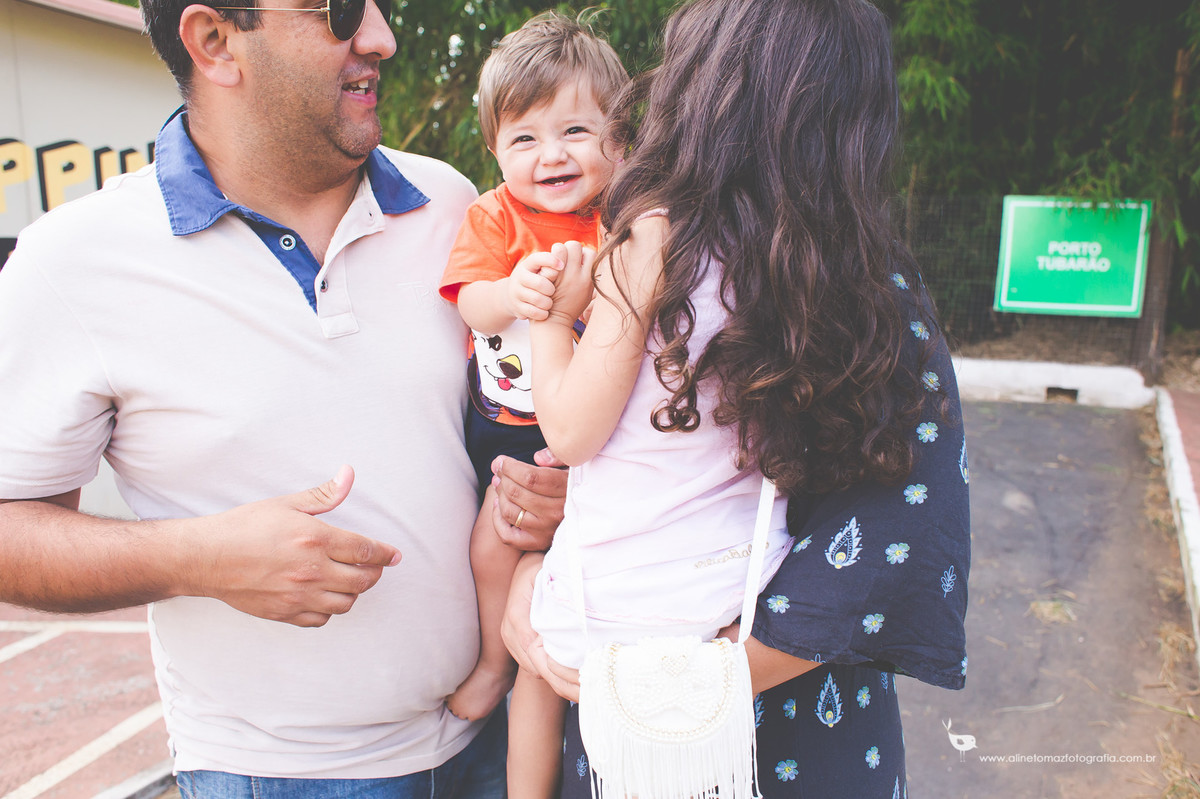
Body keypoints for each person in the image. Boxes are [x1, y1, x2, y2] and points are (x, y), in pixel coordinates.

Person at [0, 0, 566, 793]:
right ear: (214, 41)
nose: (380, 36)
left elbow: (515, 413)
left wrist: (550, 494)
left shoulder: (451, 203)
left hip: (504, 738)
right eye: (336, 10)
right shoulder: (70, 262)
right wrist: (197, 557)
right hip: (281, 777)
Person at [505, 1, 972, 796]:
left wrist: (666, 671)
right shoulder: (858, 282)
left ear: (703, 88)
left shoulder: (651, 243)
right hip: (782, 707)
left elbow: (579, 431)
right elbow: (907, 514)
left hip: (646, 693)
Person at [437, 10, 626, 722]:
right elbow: (472, 304)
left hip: (591, 428)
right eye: (525, 138)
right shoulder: (494, 218)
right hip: (510, 429)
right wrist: (512, 292)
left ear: (618, 135)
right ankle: (494, 662)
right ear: (494, 150)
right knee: (491, 548)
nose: (552, 155)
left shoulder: (625, 218)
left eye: (575, 130)